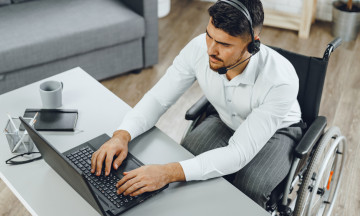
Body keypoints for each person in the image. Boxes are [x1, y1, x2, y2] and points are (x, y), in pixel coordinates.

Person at [90, 0, 304, 208]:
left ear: (253, 44)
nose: (211, 49)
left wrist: (166, 173)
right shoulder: (197, 49)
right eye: (209, 36)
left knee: (251, 186)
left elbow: (239, 153)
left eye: (224, 44)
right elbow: (158, 98)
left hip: (278, 131)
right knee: (186, 155)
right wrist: (122, 135)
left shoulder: (280, 81)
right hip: (226, 119)